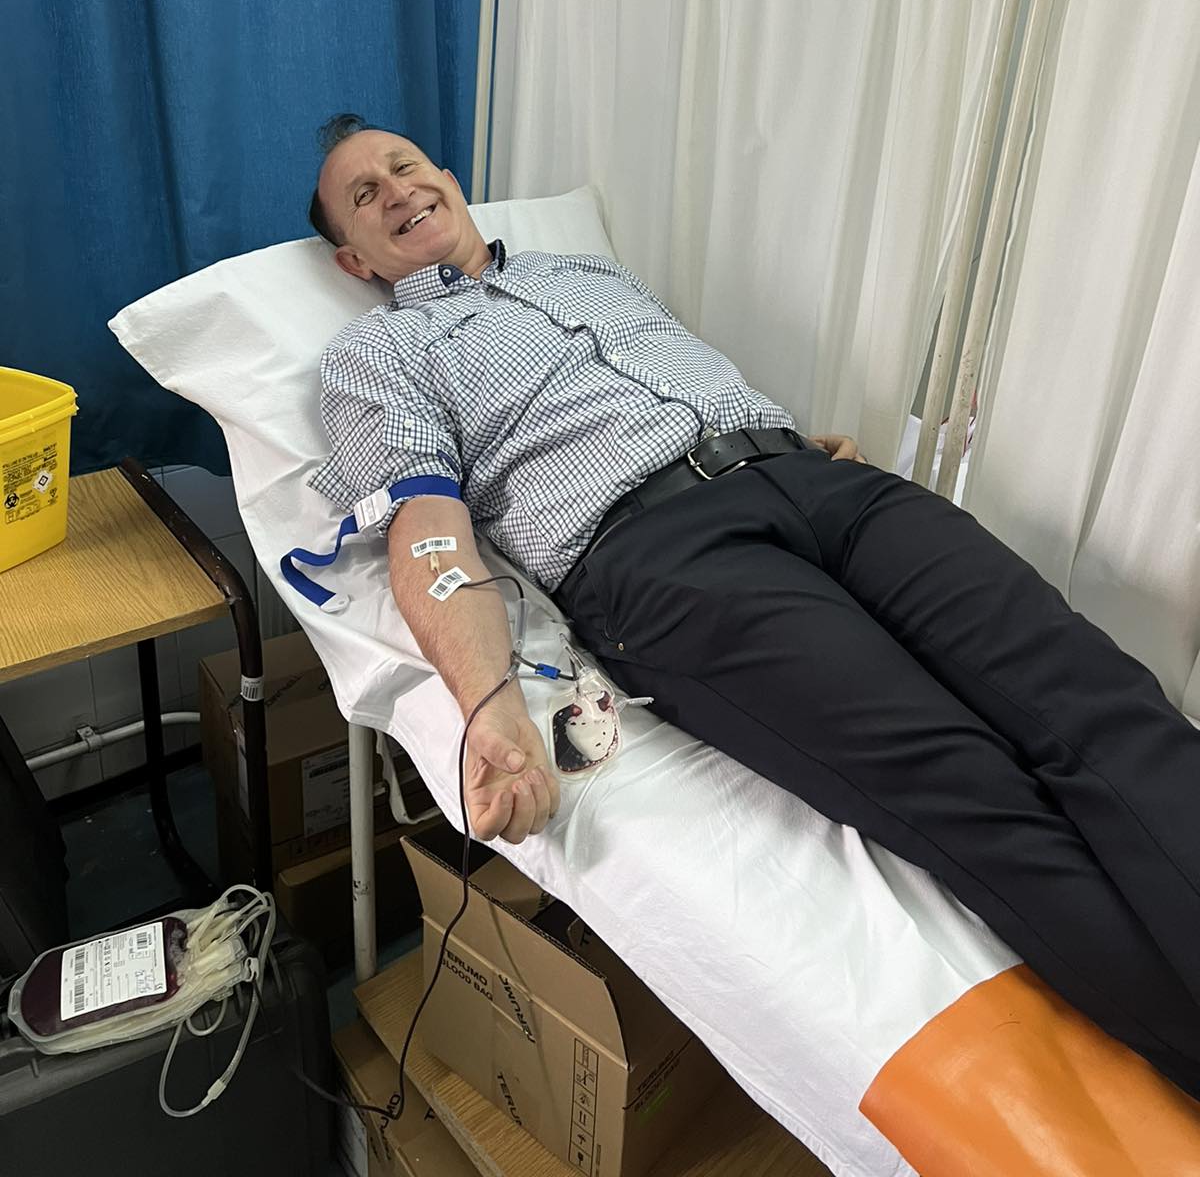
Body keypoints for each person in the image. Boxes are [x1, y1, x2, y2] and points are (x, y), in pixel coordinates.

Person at [307, 114, 1200, 1102]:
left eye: (404, 166)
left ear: (446, 176)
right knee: (967, 782)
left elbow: (687, 381)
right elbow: (426, 527)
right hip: (656, 553)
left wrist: (789, 451)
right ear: (354, 259)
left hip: (820, 485)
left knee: (1100, 697)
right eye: (364, 194)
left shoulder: (586, 274)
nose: (397, 190)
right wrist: (488, 700)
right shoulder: (381, 352)